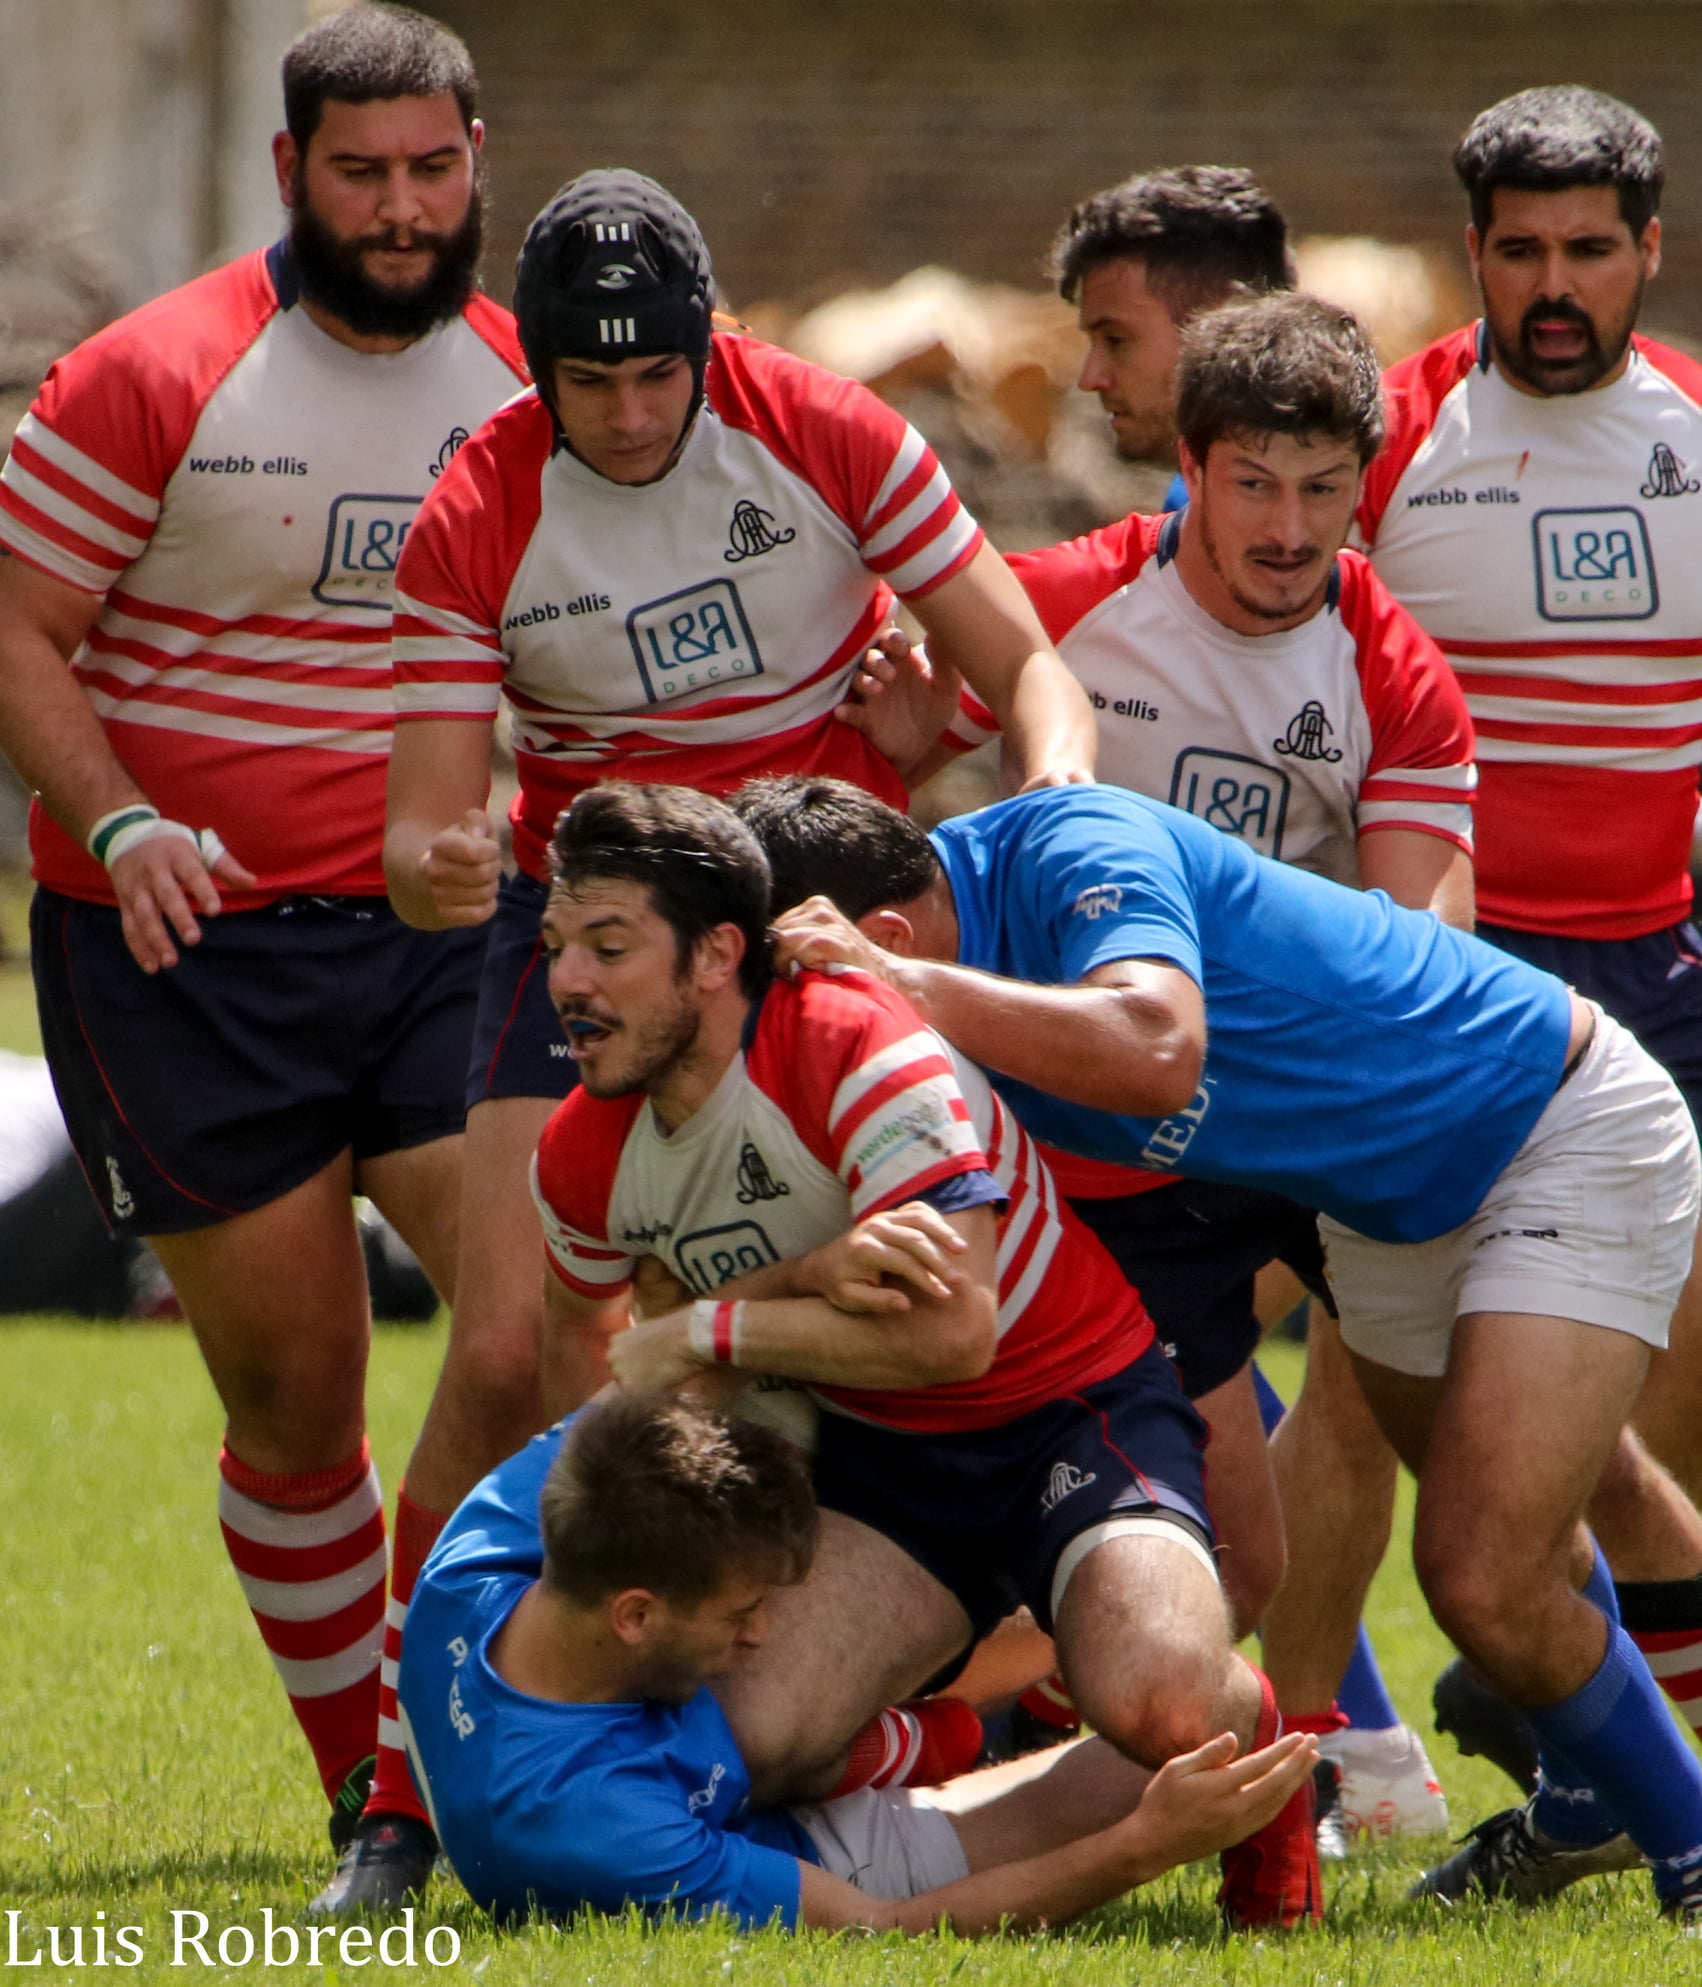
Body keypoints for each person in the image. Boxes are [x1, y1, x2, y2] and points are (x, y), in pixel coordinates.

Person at [325, 165, 1099, 1911]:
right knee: (511, 1340)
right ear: (538, 374)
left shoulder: (816, 426)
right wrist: (437, 865)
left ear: (711, 340)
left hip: (808, 894)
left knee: (911, 1298)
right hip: (591, 916)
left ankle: (953, 1685)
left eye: (655, 374)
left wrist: (1058, 800)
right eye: (587, 382)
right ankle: (396, 1790)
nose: (625, 411)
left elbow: (1020, 654)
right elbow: (425, 826)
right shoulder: (476, 503)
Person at [737, 771, 1702, 1924]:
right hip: (1380, 1207)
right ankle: (1591, 1785)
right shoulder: (915, 989)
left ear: (877, 936)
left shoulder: (1068, 842)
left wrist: (906, 987)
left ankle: (1688, 1847)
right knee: (1505, 1548)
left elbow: (1157, 1049)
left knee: (1479, 1573)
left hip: (1557, 1123)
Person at [0, 3, 526, 1856]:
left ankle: (472, 1756)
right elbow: (16, 629)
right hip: (181, 955)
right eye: (361, 174)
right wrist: (121, 820)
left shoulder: (531, 387)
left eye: (431, 171)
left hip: (441, 936)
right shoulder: (155, 374)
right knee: (299, 1391)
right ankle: (364, 1794)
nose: (399, 209)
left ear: (477, 166)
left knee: (534, 1333)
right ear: (289, 172)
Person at [524, 780, 1323, 1930]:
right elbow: (589, 1364)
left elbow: (954, 1332)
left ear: (715, 957)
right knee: (740, 1745)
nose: (568, 982)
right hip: (880, 1457)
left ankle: (1259, 1751)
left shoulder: (856, 1041)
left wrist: (705, 1326)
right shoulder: (581, 1154)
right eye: (556, 946)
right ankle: (938, 1743)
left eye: (608, 947)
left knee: (1161, 1702)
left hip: (1071, 1403)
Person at [898, 291, 1468, 1841]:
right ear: (1190, 470)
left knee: (1487, 1466)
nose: (1286, 527)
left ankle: (1487, 1738)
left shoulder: (1392, 667)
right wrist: (894, 737)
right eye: (1249, 483)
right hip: (1109, 1137)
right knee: (1220, 1534)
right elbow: (894, 781)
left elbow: (1420, 944)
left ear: (1363, 487)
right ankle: (1205, 1776)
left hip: (1297, 1125)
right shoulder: (1064, 604)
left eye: (1319, 489)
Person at [1354, 85, 1702, 1807]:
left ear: (1649, 251)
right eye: (1518, 252)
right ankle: (1495, 1762)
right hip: (1457, 990)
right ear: (1468, 255)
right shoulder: (1389, 438)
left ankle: (1601, 1780)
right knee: (1472, 1443)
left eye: (1586, 250)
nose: (1551, 285)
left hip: (1667, 980)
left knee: (1658, 1428)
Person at [398, 1392, 1317, 1933]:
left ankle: (964, 1696)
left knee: (770, 1695)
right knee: (1199, 1736)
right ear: (635, 1613)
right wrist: (1141, 1848)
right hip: (821, 1844)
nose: (764, 1631)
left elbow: (641, 1412)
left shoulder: (482, 1549)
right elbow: (881, 1931)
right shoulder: (584, 1826)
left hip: (727, 1741)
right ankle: (976, 1704)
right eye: (744, 1613)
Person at [1056, 165, 1292, 510]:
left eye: (1116, 340)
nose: (1090, 379)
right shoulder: (1192, 504)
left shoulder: (1380, 498)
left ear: (1226, 325)